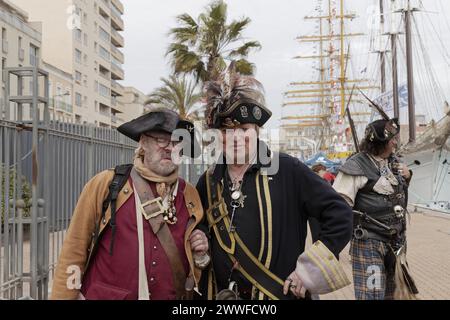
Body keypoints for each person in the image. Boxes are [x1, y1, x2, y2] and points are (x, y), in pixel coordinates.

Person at [195, 64, 353, 300]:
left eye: (244, 129)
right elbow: (200, 229)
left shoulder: (288, 169)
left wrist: (309, 270)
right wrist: (199, 241)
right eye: (226, 131)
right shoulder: (207, 182)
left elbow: (340, 214)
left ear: (256, 131)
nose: (236, 138)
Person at [51, 107, 210, 300]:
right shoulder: (106, 184)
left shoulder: (190, 195)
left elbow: (197, 261)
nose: (169, 147)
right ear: (143, 142)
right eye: (161, 139)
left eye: (177, 142)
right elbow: (74, 250)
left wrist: (201, 248)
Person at [333, 117, 418, 300]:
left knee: (394, 295)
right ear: (379, 144)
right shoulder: (356, 165)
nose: (396, 143)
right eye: (392, 140)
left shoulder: (393, 162)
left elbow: (397, 197)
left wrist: (408, 176)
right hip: (368, 243)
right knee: (371, 295)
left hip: (396, 242)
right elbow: (338, 206)